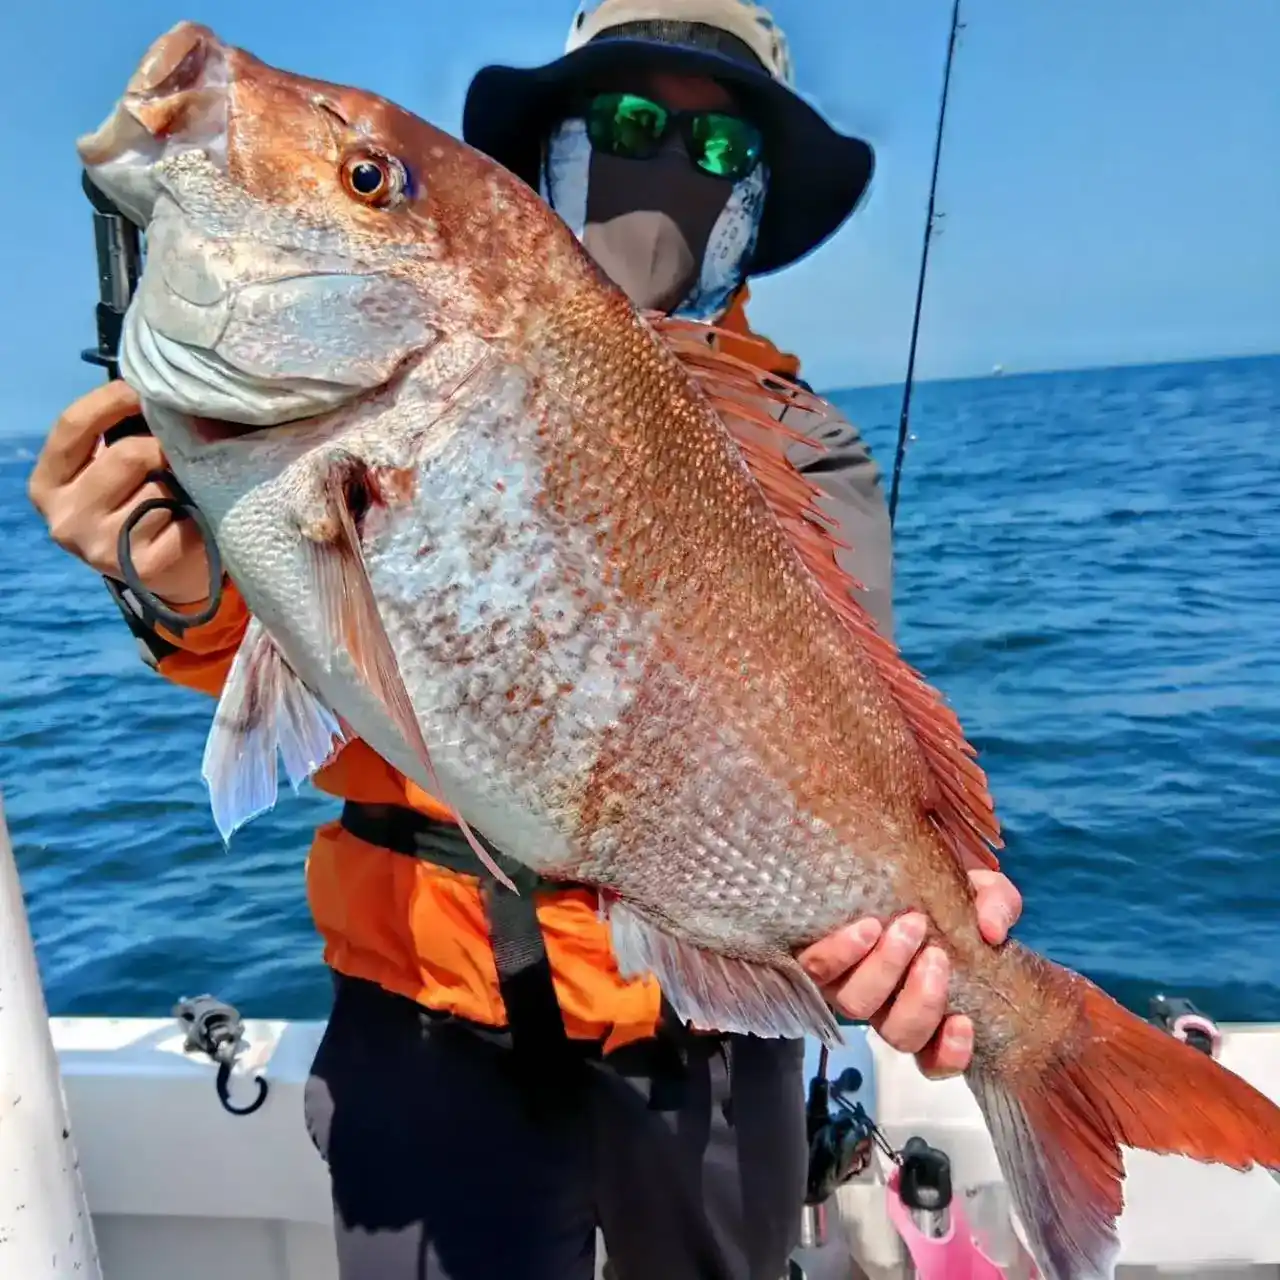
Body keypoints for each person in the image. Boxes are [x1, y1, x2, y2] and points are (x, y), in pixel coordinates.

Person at [28, 2, 1022, 1277]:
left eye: (720, 151)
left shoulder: (795, 440)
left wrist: (923, 919)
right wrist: (176, 587)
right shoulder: (371, 380)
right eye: (624, 121)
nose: (666, 164)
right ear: (543, 150)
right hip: (427, 1019)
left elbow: (834, 739)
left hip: (704, 1038)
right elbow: (296, 655)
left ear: (758, 199)